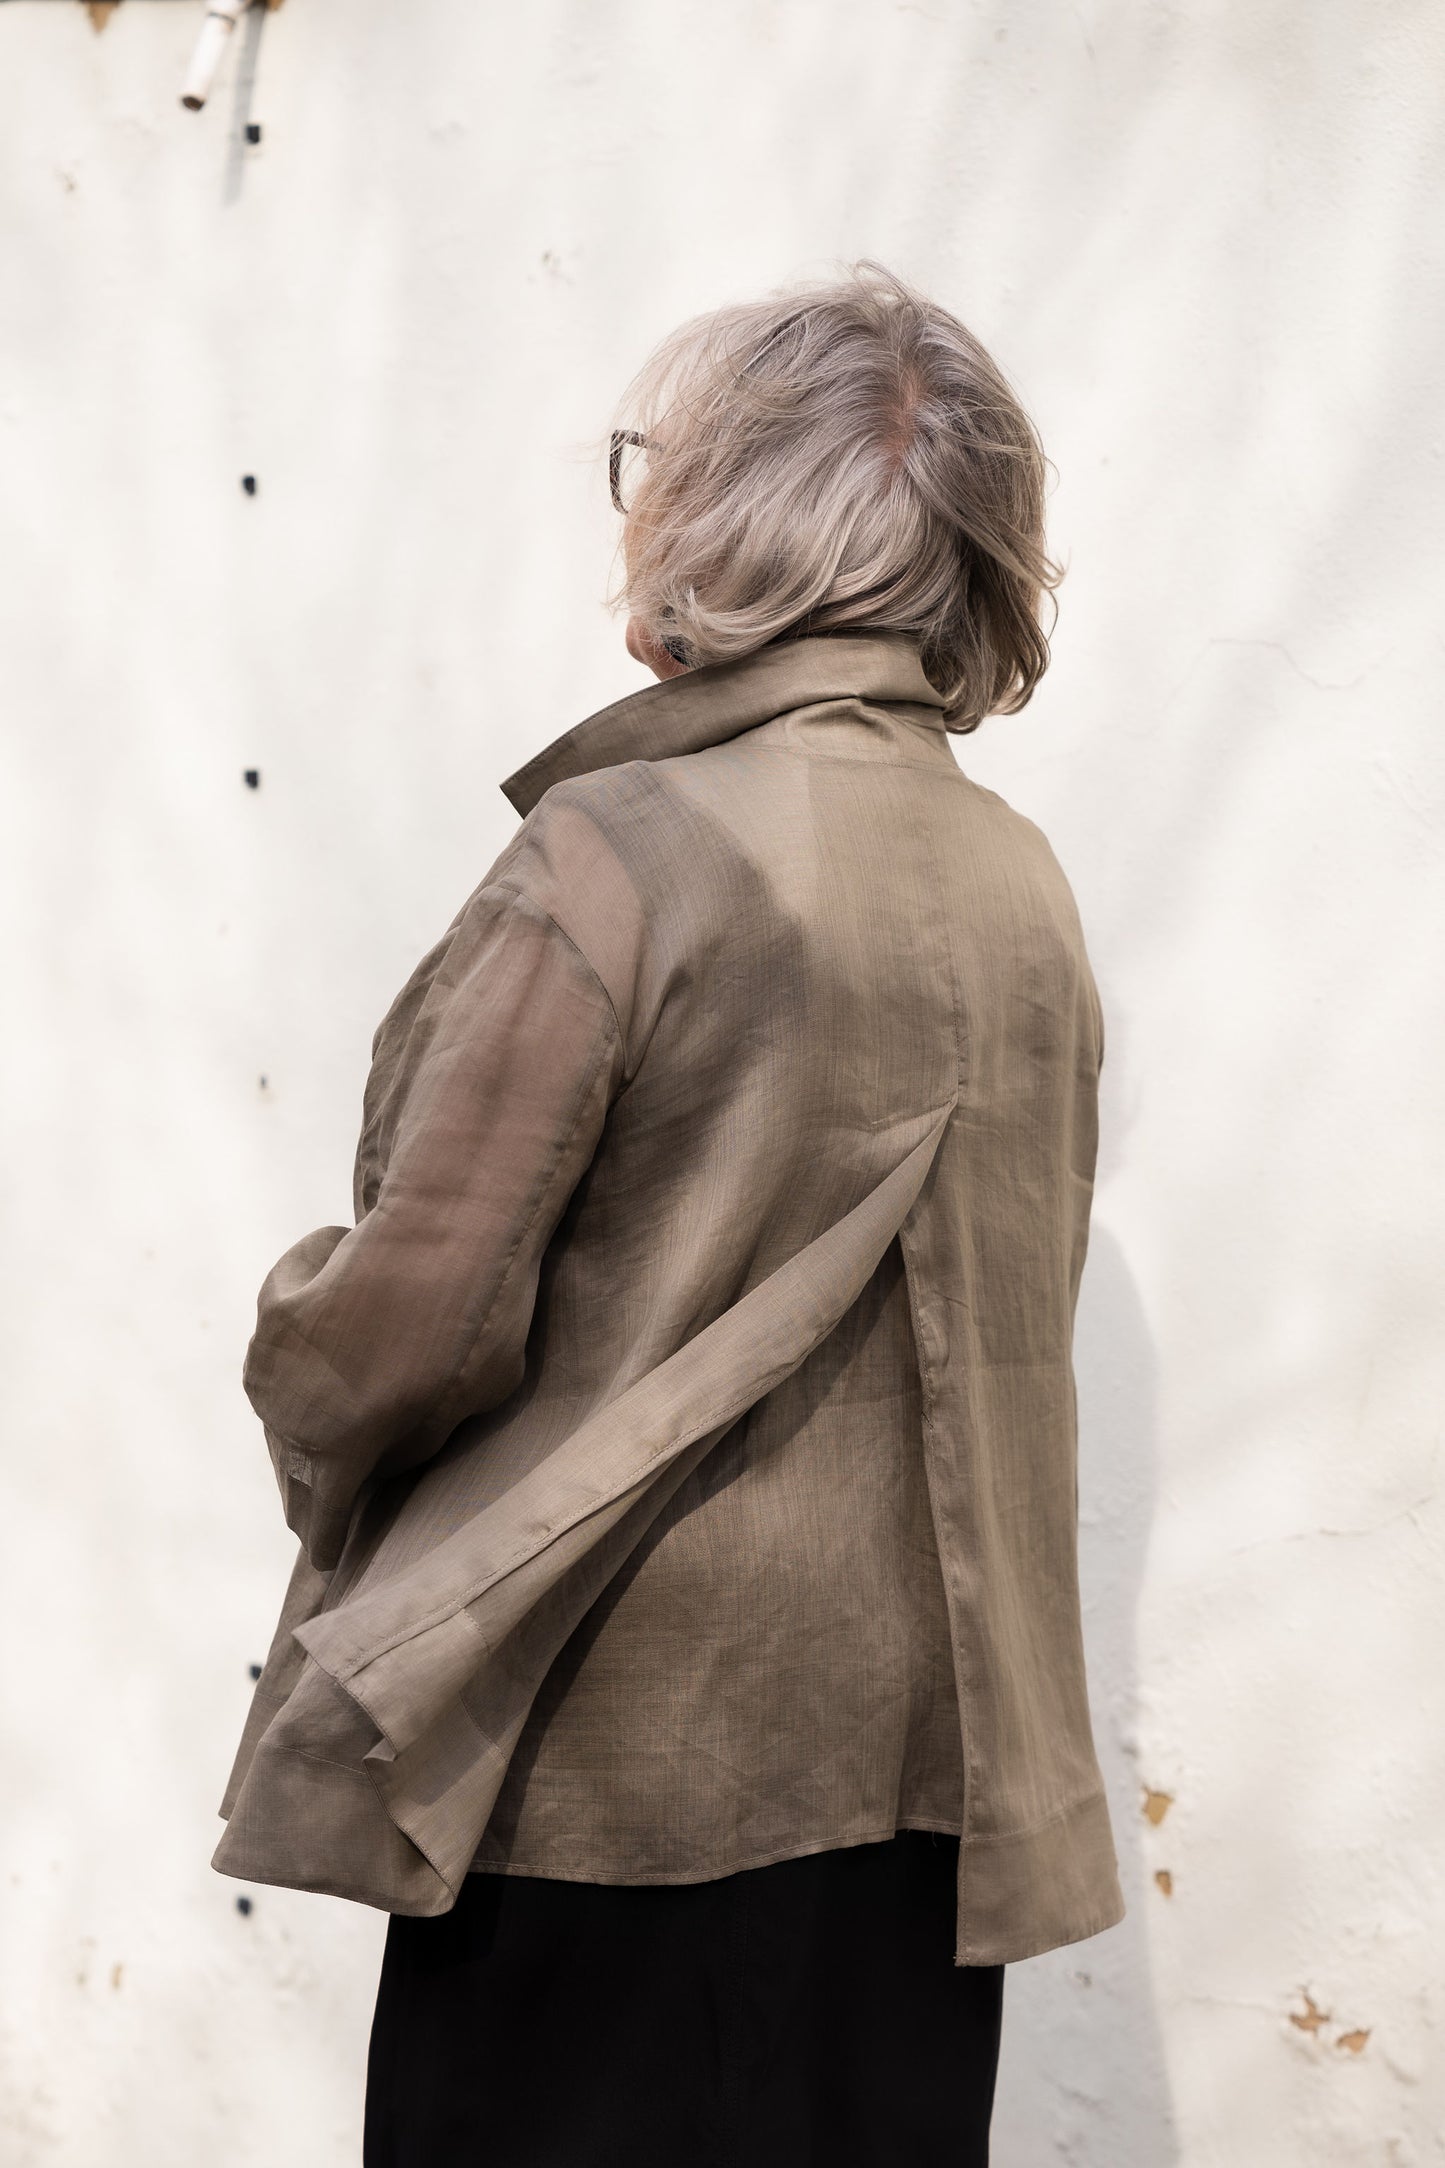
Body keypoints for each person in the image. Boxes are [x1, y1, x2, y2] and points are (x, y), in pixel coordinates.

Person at [214, 259, 1125, 2166]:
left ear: (719, 520)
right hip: (926, 1778)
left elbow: (407, 1328)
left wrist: (298, 1335)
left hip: (611, 1764)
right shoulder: (1018, 881)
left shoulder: (623, 853)